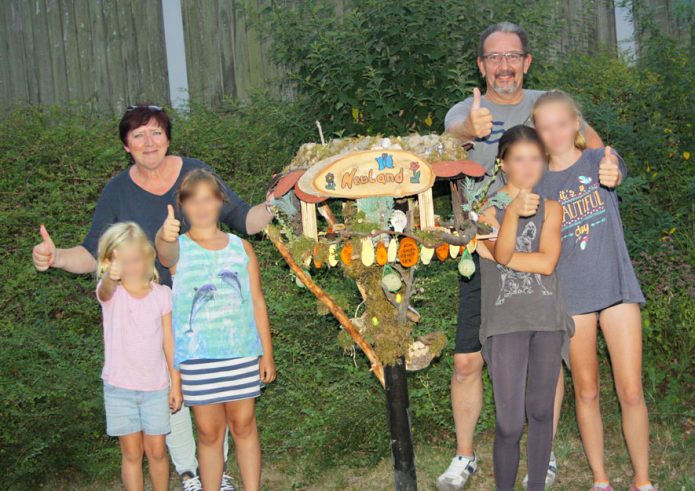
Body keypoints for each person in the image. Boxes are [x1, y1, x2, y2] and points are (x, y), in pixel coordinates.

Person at [31, 104, 274, 491]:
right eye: (139, 135)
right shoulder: (118, 190)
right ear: (126, 145)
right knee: (168, 394)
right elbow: (92, 251)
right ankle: (189, 471)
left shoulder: (196, 172)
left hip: (207, 316)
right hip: (148, 314)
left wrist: (278, 202)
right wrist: (56, 257)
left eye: (157, 132)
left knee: (215, 402)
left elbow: (243, 219)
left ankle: (218, 473)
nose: (149, 142)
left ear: (168, 137)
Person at [438, 21, 603, 490]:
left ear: (527, 62)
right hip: (484, 248)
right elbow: (446, 142)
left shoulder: (544, 104)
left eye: (513, 56)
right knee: (467, 360)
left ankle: (543, 457)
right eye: (494, 57)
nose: (504, 65)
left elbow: (593, 146)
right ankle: (464, 455)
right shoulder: (463, 111)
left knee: (545, 355)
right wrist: (467, 130)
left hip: (547, 245)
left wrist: (608, 168)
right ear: (481, 65)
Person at [533, 90, 654, 491]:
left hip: (617, 291)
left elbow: (615, 169)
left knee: (631, 390)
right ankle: (600, 479)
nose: (554, 134)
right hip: (573, 299)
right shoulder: (537, 184)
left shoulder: (598, 160)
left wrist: (612, 172)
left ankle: (642, 481)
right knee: (586, 391)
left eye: (562, 124)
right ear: (536, 132)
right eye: (544, 127)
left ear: (577, 124)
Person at [155, 168, 275, 491]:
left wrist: (267, 354)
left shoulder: (241, 248)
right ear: (182, 206)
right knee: (209, 434)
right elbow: (163, 253)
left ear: (221, 201)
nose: (202, 206)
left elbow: (258, 303)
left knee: (245, 426)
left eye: (209, 198)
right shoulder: (178, 249)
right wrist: (163, 236)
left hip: (241, 355)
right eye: (193, 200)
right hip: (198, 361)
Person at [476, 125, 573, 491]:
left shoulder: (553, 208)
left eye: (536, 157)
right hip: (505, 322)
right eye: (519, 158)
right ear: (502, 163)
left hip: (546, 319)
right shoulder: (484, 211)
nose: (529, 166)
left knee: (542, 410)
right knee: (509, 422)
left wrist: (505, 254)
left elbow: (546, 264)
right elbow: (500, 254)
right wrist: (512, 216)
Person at [95, 221, 182, 491]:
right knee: (131, 454)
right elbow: (105, 289)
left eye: (135, 258)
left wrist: (175, 383)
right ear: (109, 261)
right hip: (119, 388)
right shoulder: (110, 294)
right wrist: (111, 276)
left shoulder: (162, 295)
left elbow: (169, 342)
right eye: (122, 261)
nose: (131, 266)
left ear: (147, 256)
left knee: (156, 451)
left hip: (155, 387)